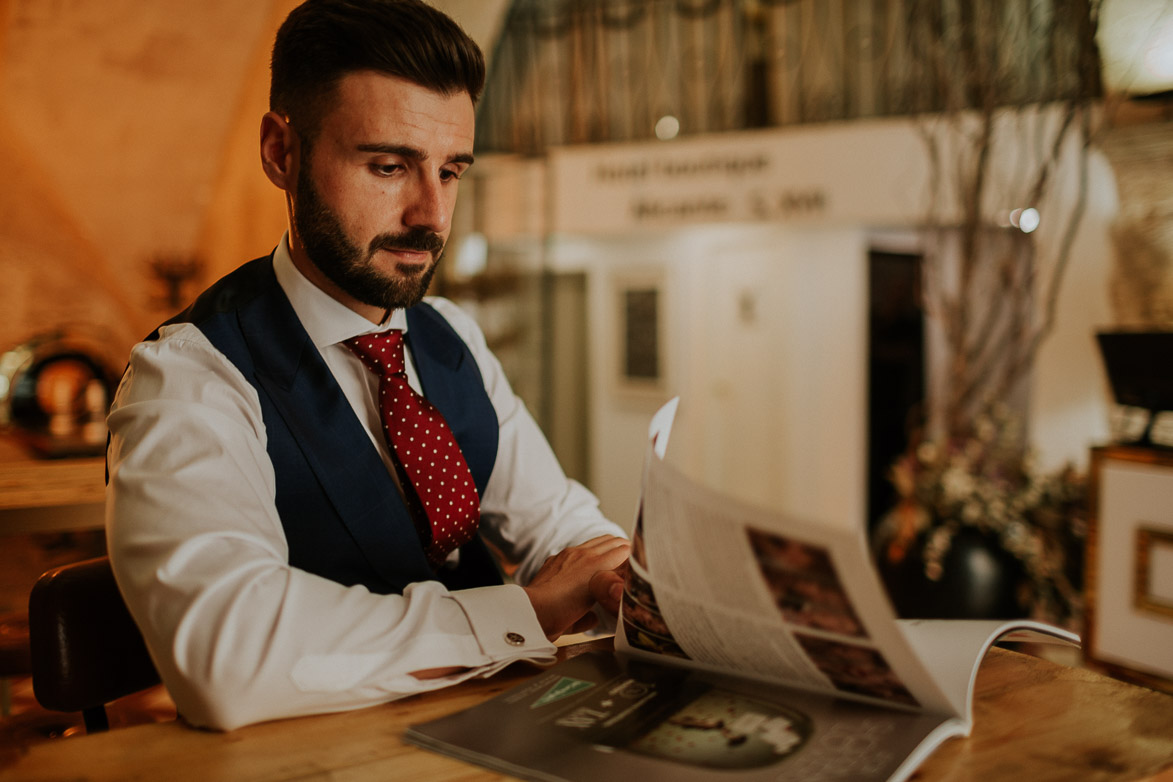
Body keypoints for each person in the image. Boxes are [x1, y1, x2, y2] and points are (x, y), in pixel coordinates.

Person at [105, 0, 629, 731]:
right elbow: (227, 655)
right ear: (281, 152)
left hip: (495, 734)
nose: (431, 216)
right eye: (388, 166)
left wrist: (622, 578)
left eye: (450, 172)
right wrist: (521, 612)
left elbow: (562, 528)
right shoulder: (191, 377)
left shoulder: (451, 337)